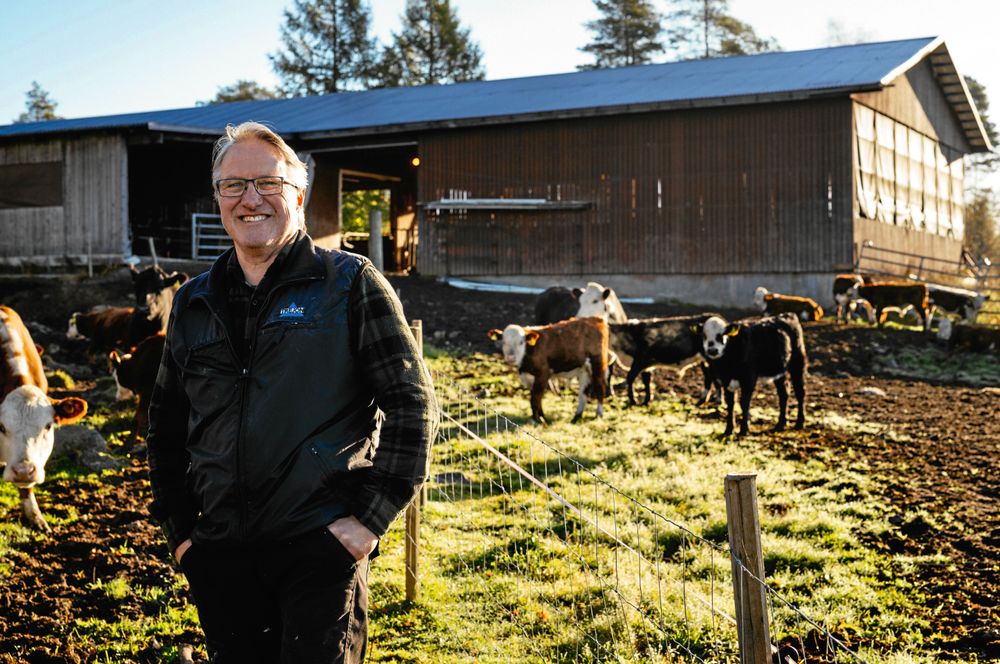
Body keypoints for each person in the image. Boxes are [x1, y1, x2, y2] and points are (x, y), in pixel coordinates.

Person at [146, 121, 438, 663]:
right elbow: (163, 427)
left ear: (298, 196)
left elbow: (412, 405)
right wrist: (184, 536)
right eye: (233, 185)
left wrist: (368, 522)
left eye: (268, 183)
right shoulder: (193, 302)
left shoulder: (349, 283)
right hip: (221, 557)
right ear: (217, 198)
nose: (250, 199)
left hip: (319, 551)